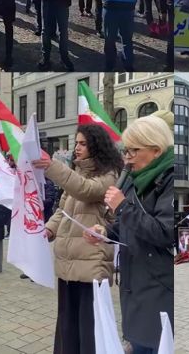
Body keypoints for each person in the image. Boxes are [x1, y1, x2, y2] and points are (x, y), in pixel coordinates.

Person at [32, 124, 122, 354]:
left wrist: (52, 166)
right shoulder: (77, 173)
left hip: (92, 263)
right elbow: (64, 210)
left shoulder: (109, 174)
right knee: (67, 324)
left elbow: (86, 190)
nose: (77, 148)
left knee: (88, 327)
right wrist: (49, 230)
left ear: (96, 145)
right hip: (68, 263)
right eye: (76, 143)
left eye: (83, 143)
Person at [90, 115, 175, 354]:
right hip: (135, 282)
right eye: (125, 151)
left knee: (153, 344)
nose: (127, 159)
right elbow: (129, 226)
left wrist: (123, 207)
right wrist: (105, 231)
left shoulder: (169, 180)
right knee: (138, 343)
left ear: (156, 150)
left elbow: (165, 232)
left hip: (158, 286)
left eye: (133, 151)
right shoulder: (132, 178)